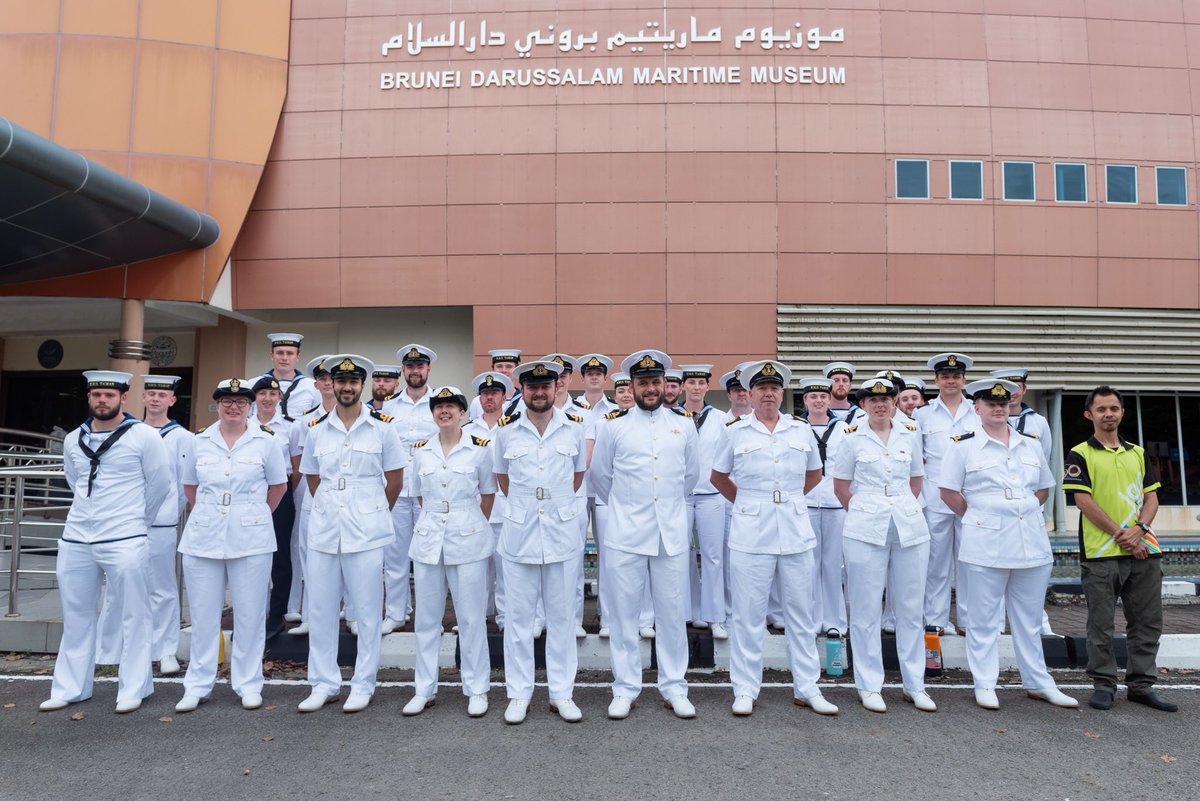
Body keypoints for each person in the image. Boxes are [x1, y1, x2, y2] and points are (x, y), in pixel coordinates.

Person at [939, 379, 1077, 711]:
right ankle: (985, 682)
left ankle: (1038, 682)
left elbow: (1044, 487)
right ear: (978, 409)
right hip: (986, 543)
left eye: (1003, 404)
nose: (999, 408)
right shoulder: (963, 445)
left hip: (1030, 542)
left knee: (1029, 621)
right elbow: (948, 492)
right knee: (985, 620)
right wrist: (979, 517)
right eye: (991, 404)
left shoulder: (1029, 444)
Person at [41, 371, 171, 714]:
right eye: (97, 394)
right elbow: (75, 480)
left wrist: (135, 522)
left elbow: (159, 485)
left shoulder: (144, 437)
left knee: (134, 614)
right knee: (76, 614)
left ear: (123, 398)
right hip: (77, 536)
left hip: (125, 536)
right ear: (88, 398)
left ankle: (134, 687)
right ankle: (71, 687)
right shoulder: (73, 439)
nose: (103, 400)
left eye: (109, 395)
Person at [711, 361, 837, 717]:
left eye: (775, 389)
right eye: (762, 388)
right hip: (751, 530)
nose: (769, 394)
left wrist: (789, 500)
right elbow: (718, 477)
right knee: (748, 615)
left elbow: (814, 474)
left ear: (783, 394)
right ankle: (745, 689)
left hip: (795, 530)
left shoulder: (799, 431)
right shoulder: (735, 431)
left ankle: (808, 687)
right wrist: (750, 503)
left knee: (801, 613)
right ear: (749, 395)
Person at [590, 350, 699, 720]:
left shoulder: (684, 424)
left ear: (664, 385)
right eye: (643, 383)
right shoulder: (614, 426)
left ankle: (674, 687)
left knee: (671, 615)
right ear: (631, 386)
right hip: (625, 533)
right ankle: (625, 688)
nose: (650, 388)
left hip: (669, 532)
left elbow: (690, 478)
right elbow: (601, 478)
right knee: (624, 616)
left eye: (656, 382)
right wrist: (628, 509)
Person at [298, 355, 406, 713]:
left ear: (362, 385)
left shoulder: (384, 428)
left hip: (366, 531)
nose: (346, 388)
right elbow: (313, 479)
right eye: (340, 382)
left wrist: (368, 510)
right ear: (333, 384)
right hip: (327, 528)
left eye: (353, 382)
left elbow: (395, 481)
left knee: (367, 611)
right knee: (322, 608)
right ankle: (323, 683)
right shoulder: (315, 428)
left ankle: (363, 683)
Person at [175, 379, 288, 713]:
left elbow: (278, 487)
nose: (234, 406)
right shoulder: (199, 441)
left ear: (250, 406)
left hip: (251, 536)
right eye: (227, 401)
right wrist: (214, 515)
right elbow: (190, 487)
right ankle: (197, 684)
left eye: (241, 402)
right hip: (204, 536)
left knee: (251, 614)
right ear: (218, 405)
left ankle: (248, 683)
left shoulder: (265, 442)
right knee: (204, 615)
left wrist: (252, 515)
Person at [1063, 386, 1175, 713]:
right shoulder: (1080, 453)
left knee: (1147, 622)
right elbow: (1082, 501)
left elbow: (1152, 497)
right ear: (1090, 415)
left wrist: (1139, 531)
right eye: (1101, 409)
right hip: (1101, 553)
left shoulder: (1138, 453)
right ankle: (1103, 684)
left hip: (1144, 549)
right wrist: (1120, 534)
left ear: (1122, 412)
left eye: (1114, 408)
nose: (1108, 414)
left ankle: (1142, 685)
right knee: (1101, 624)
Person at [831, 377, 935, 714]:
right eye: (873, 400)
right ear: (863, 404)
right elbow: (841, 486)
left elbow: (916, 479)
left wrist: (898, 506)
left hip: (907, 522)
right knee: (865, 609)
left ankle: (914, 684)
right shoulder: (850, 437)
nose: (880, 405)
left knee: (909, 608)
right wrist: (867, 509)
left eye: (886, 399)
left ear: (894, 403)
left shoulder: (910, 433)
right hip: (865, 524)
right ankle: (869, 684)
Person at [492, 360, 587, 724]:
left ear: (556, 388)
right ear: (523, 390)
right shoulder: (505, 431)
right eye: (532, 387)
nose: (539, 392)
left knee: (562, 619)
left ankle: (562, 693)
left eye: (545, 386)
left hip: (561, 535)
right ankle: (519, 693)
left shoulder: (574, 429)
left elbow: (578, 476)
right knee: (518, 620)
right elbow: (501, 479)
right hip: (520, 534)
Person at [403, 387, 498, 719]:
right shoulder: (421, 452)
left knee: (471, 619)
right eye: (439, 407)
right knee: (427, 620)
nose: (445, 412)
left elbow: (488, 494)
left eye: (451, 407)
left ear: (462, 413)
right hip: (429, 540)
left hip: (468, 536)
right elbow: (418, 496)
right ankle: (424, 688)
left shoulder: (479, 450)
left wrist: (467, 522)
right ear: (433, 414)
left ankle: (476, 688)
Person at [95, 374, 191, 673]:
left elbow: (183, 482)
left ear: (172, 400)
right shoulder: (128, 433)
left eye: (162, 396)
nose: (155, 399)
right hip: (124, 523)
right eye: (150, 394)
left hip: (159, 525)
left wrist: (165, 515)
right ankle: (119, 649)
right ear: (143, 398)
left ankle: (165, 650)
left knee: (162, 588)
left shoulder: (183, 438)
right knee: (121, 587)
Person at [586, 371, 654, 639]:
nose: (626, 394)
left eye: (629, 390)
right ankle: (609, 618)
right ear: (615, 396)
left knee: (647, 559)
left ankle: (645, 618)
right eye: (621, 391)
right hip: (610, 501)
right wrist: (613, 497)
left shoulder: (649, 422)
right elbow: (599, 469)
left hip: (643, 502)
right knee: (610, 562)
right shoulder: (606, 423)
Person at [915, 352, 979, 636]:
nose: (950, 381)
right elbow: (916, 458)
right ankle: (936, 619)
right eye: (945, 376)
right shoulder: (922, 414)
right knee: (936, 563)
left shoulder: (977, 411)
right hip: (935, 497)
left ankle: (967, 620)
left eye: (956, 376)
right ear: (936, 380)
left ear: (964, 380)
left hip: (970, 498)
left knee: (969, 562)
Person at [380, 344, 438, 633]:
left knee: (429, 557)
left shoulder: (440, 402)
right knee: (395, 555)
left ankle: (430, 618)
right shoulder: (389, 406)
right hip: (397, 489)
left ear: (428, 370)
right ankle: (396, 612)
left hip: (430, 490)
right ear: (403, 371)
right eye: (410, 367)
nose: (415, 371)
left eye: (420, 366)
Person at [463, 372, 518, 632]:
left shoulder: (514, 427)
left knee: (506, 569)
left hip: (506, 509)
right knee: (477, 571)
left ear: (504, 396)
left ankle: (506, 617)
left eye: (494, 393)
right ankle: (476, 616)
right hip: (477, 509)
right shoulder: (467, 431)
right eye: (485, 393)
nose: (489, 397)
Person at [678, 364, 729, 639]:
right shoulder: (673, 416)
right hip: (683, 495)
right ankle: (688, 613)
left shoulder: (720, 418)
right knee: (681, 555)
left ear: (708, 387)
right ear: (683, 386)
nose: (696, 387)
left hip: (711, 494)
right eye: (692, 383)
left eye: (701, 383)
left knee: (713, 557)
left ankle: (715, 617)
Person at [797, 376, 850, 635]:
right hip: (805, 504)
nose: (818, 401)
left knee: (833, 566)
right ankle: (809, 620)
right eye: (812, 397)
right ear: (805, 400)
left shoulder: (845, 430)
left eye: (822, 396)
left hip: (835, 505)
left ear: (829, 399)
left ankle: (834, 621)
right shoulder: (795, 428)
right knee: (808, 566)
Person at [286, 355, 335, 635]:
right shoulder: (303, 424)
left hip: (345, 493)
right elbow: (298, 468)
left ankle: (349, 612)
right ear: (315, 384)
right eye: (323, 379)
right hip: (310, 494)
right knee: (307, 554)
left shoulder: (360, 418)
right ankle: (308, 615)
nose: (328, 383)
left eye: (332, 378)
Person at [251, 375, 302, 640]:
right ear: (255, 398)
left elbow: (296, 467)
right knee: (250, 555)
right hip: (249, 495)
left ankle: (277, 613)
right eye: (262, 394)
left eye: (272, 395)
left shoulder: (290, 428)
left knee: (280, 556)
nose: (267, 399)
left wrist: (283, 494)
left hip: (280, 495)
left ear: (279, 398)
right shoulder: (244, 425)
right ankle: (252, 612)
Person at [264, 333, 319, 421]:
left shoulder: (313, 386)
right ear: (272, 356)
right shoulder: (254, 384)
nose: (284, 358)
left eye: (289, 353)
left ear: (297, 357)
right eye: (280, 353)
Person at [469, 349, 523, 419]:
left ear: (516, 369)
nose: (504, 370)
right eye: (499, 366)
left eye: (509, 366)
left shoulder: (524, 401)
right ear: (492, 369)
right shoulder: (477, 402)